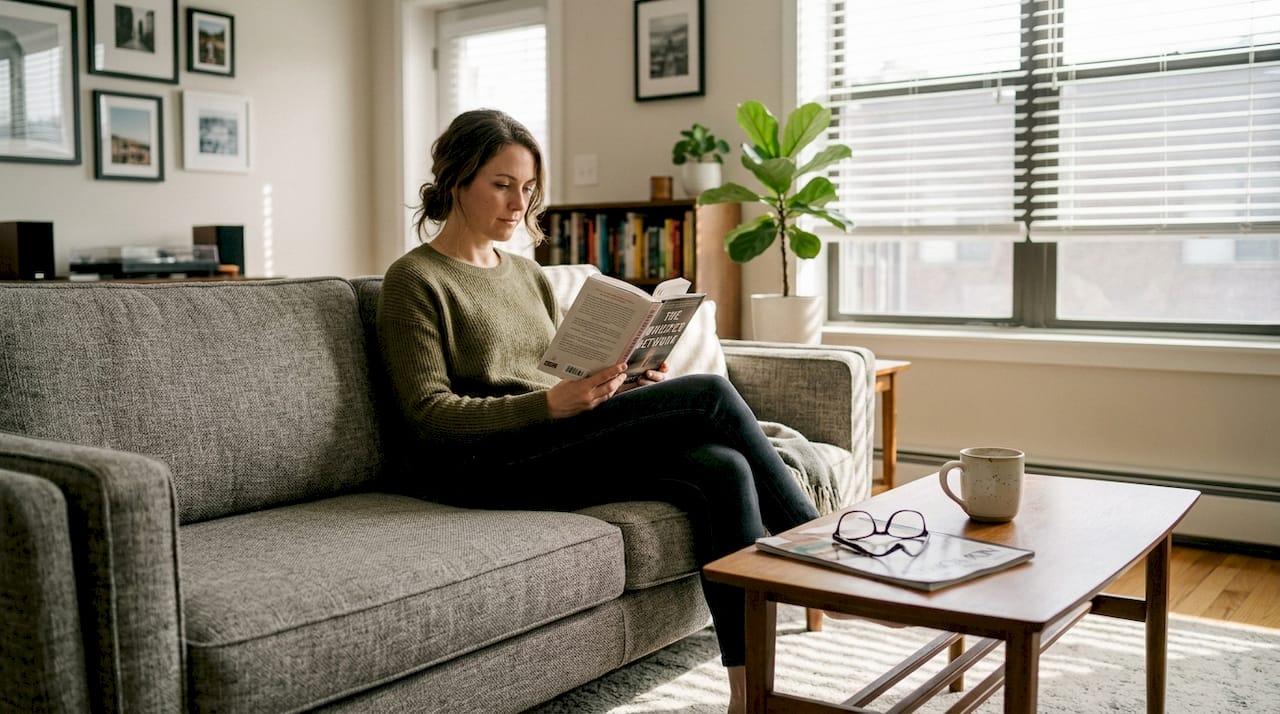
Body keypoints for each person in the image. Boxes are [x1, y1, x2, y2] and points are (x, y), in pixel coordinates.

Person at [376, 108, 821, 714]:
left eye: (527, 188)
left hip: (558, 438)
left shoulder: (526, 274)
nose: (518, 204)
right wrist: (549, 403)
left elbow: (560, 374)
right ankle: (824, 552)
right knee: (709, 395)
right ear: (456, 181)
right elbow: (427, 414)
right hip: (484, 464)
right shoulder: (415, 279)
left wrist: (622, 380)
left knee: (724, 468)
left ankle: (749, 696)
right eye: (502, 185)